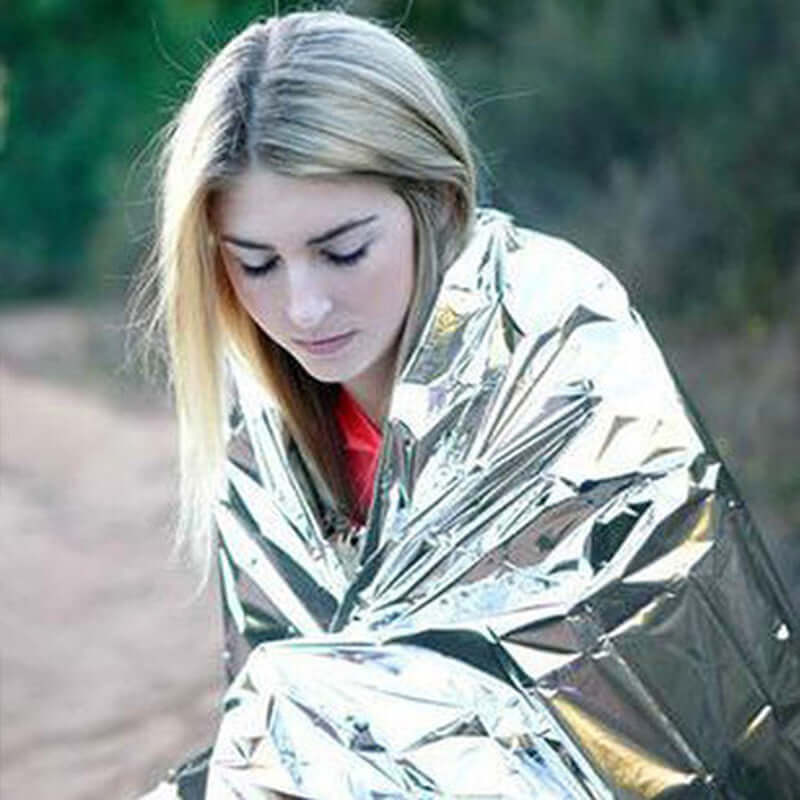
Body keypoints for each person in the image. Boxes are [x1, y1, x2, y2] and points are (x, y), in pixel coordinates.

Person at [140, 9, 800, 799]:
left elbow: (644, 692)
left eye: (343, 250)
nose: (303, 307)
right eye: (256, 264)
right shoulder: (261, 414)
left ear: (438, 201)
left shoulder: (560, 335)